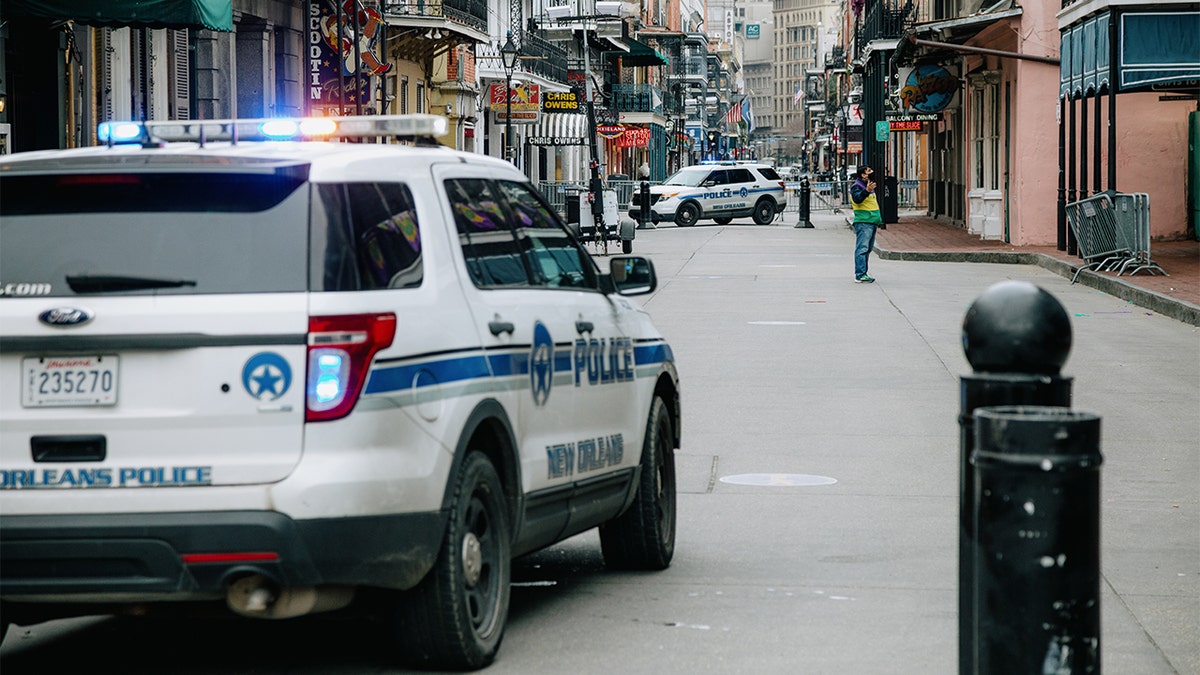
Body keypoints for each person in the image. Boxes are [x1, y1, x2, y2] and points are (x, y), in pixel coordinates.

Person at [850, 165, 881, 283]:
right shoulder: (857, 186)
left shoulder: (868, 186)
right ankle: (860, 274)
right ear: (863, 175)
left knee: (867, 249)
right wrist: (866, 191)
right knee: (862, 248)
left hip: (871, 221)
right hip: (864, 222)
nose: (872, 172)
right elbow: (857, 199)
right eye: (869, 171)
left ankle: (863, 272)